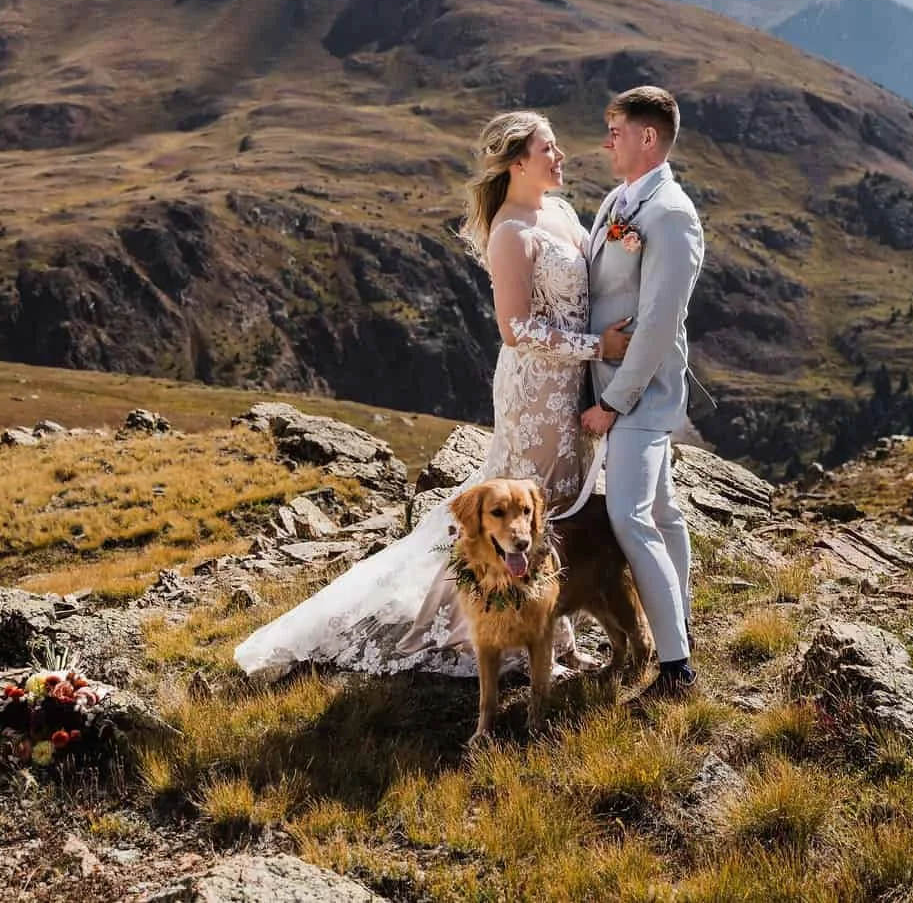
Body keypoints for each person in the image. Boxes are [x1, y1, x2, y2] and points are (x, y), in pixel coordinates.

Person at [233, 111, 630, 679]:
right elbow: (516, 329)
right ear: (518, 162)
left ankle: (549, 635)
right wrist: (598, 345)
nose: (561, 155)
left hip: (573, 384)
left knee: (557, 511)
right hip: (536, 393)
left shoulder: (561, 212)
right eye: (549, 147)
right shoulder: (511, 232)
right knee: (529, 514)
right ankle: (506, 637)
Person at [580, 85, 705, 697]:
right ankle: (683, 625)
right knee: (661, 511)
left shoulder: (672, 214)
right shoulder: (620, 199)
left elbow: (658, 322)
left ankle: (676, 667)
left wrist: (612, 402)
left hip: (639, 392)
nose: (607, 143)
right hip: (610, 379)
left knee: (630, 517)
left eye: (616, 132)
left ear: (648, 137)